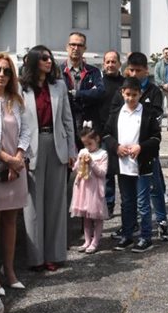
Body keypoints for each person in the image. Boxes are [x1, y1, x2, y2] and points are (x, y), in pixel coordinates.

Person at [21, 45, 76, 272]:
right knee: (33, 204)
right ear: (34, 61)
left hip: (56, 143)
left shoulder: (59, 86)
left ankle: (54, 254)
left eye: (50, 57)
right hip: (31, 147)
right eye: (44, 58)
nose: (49, 61)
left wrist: (71, 150)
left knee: (56, 201)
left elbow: (67, 120)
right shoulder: (21, 88)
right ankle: (36, 257)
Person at [0, 52, 30, 297]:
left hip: (16, 168)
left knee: (11, 220)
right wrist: (7, 159)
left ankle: (9, 271)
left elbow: (27, 132)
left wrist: (18, 157)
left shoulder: (16, 101)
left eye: (7, 71)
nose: (2, 74)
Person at [105, 77, 162, 253]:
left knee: (143, 203)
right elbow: (106, 135)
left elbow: (156, 137)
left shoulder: (147, 113)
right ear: (122, 93)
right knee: (127, 202)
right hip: (123, 166)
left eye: (135, 95)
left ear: (140, 94)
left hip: (141, 165)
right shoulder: (116, 113)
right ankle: (127, 235)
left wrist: (141, 147)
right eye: (128, 94)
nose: (131, 98)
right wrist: (116, 147)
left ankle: (146, 237)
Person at [62, 31, 105, 144]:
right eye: (73, 44)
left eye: (80, 45)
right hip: (65, 126)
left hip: (88, 128)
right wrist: (89, 92)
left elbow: (100, 92)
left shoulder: (93, 71)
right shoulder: (58, 71)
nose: (76, 48)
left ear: (85, 48)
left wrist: (76, 93)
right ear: (67, 47)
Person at [71, 126, 109, 254]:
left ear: (97, 139)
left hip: (95, 190)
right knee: (85, 216)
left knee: (97, 216)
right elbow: (76, 169)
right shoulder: (83, 151)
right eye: (85, 144)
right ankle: (87, 240)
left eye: (90, 143)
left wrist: (91, 163)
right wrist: (77, 161)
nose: (87, 146)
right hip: (84, 189)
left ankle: (96, 241)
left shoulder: (103, 154)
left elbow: (102, 173)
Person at [98, 50, 124, 217]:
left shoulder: (125, 83)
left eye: (113, 61)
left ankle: (127, 205)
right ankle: (108, 205)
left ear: (119, 64)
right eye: (107, 62)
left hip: (122, 133)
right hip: (103, 132)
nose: (110, 65)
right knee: (106, 172)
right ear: (103, 64)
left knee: (123, 171)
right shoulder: (99, 83)